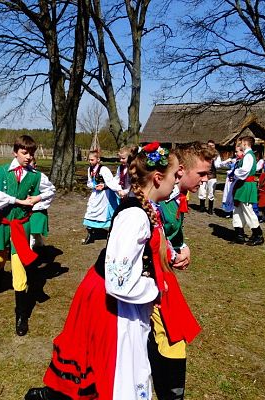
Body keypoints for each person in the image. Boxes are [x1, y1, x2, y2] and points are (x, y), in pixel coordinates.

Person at [24, 143, 187, 400]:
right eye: (175, 176)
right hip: (113, 302)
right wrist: (156, 288)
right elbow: (119, 282)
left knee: (111, 367)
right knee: (117, 372)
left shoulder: (147, 208)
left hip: (120, 298)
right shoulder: (135, 215)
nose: (178, 182)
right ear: (157, 178)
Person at [153, 141, 215, 400]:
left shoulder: (178, 195)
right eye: (201, 173)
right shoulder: (158, 197)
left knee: (171, 337)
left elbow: (173, 232)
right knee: (167, 336)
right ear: (182, 171)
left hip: (163, 275)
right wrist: (171, 251)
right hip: (150, 280)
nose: (206, 179)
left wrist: (183, 247)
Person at [0, 135, 56, 336]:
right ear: (15, 152)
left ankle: (21, 315)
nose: (28, 156)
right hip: (2, 224)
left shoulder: (35, 176)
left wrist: (37, 198)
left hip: (20, 227)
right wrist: (16, 200)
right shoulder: (0, 172)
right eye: (24, 152)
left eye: (31, 153)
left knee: (19, 269)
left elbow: (51, 191)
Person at [82, 150, 122, 245]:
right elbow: (89, 182)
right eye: (89, 160)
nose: (90, 161)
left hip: (105, 195)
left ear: (98, 159)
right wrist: (93, 186)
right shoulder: (90, 169)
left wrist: (104, 186)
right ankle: (90, 234)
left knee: (107, 214)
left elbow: (111, 182)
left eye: (92, 159)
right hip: (96, 193)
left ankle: (111, 234)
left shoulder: (104, 169)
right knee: (90, 211)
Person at [232, 136, 264, 245]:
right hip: (242, 185)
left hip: (246, 185)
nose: (240, 145)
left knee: (247, 210)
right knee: (238, 209)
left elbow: (245, 170)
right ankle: (239, 234)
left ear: (245, 143)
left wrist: (235, 173)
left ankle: (258, 234)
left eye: (241, 143)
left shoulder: (249, 156)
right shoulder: (247, 155)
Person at [197, 140, 222, 214]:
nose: (210, 147)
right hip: (203, 175)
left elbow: (218, 166)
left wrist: (214, 160)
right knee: (202, 191)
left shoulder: (217, 155)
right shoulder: (203, 153)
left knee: (211, 192)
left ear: (214, 146)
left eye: (212, 145)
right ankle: (202, 207)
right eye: (209, 145)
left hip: (212, 176)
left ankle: (210, 209)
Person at [220, 145, 243, 218]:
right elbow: (221, 164)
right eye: (235, 152)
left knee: (233, 195)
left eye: (237, 152)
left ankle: (233, 211)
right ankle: (227, 211)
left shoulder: (243, 161)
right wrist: (228, 160)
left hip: (236, 180)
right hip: (229, 180)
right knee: (227, 194)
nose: (235, 153)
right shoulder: (234, 160)